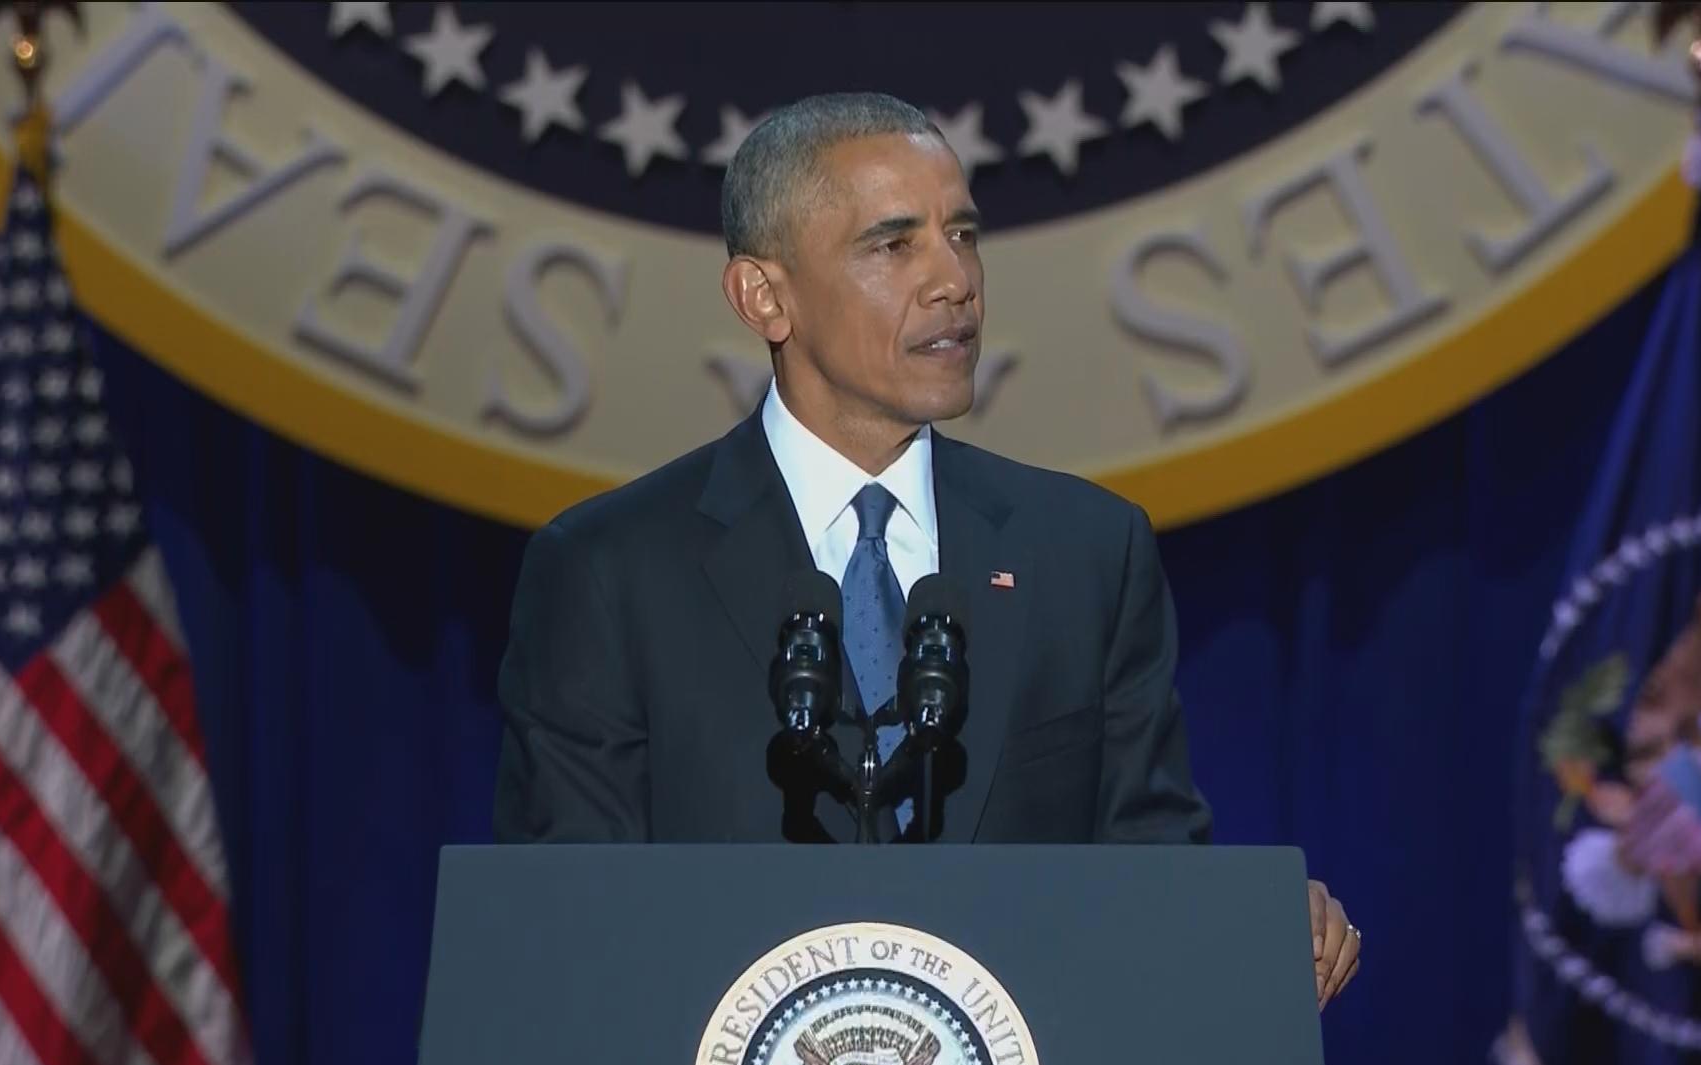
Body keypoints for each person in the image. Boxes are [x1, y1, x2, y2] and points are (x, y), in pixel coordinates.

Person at [492, 92, 1362, 1007]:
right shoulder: (609, 572)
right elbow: (565, 938)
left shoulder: (1088, 553)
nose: (955, 280)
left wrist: (1250, 934)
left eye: (965, 235)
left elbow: (1150, 883)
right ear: (764, 296)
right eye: (894, 244)